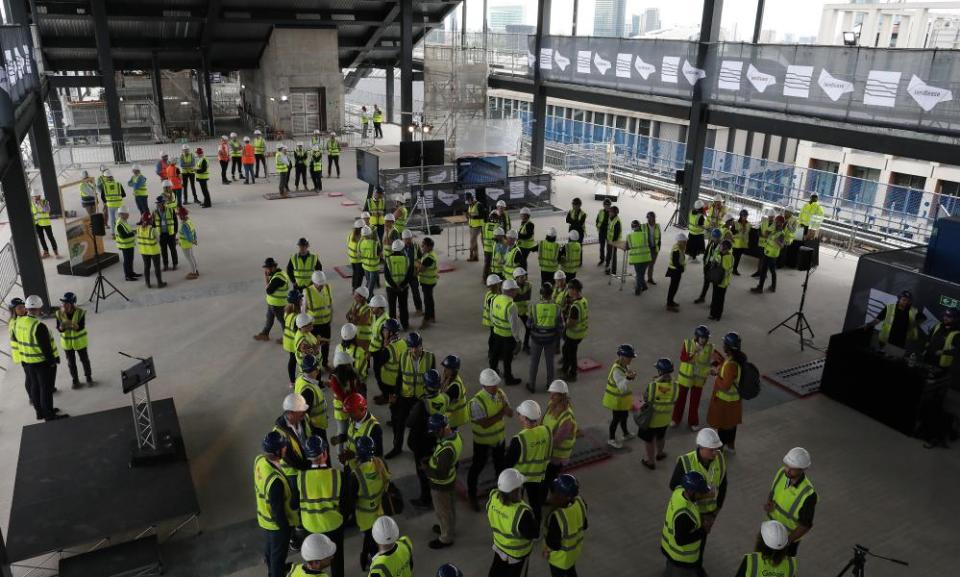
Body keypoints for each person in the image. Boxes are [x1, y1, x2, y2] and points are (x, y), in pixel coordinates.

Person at [670, 428, 727, 548]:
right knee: (690, 540)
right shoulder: (685, 462)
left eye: (716, 449)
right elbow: (674, 486)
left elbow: (723, 485)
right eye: (711, 450)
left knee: (702, 539)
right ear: (701, 447)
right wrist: (696, 495)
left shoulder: (720, 458)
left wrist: (716, 512)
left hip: (711, 512)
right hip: (692, 513)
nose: (715, 453)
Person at [297, 436, 345, 577]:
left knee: (315, 559)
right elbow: (346, 504)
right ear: (325, 453)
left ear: (307, 456)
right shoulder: (337, 476)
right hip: (333, 525)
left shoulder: (301, 477)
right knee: (336, 558)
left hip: (310, 526)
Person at [467, 368, 513, 511]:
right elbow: (484, 424)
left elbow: (510, 412)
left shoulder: (500, 393)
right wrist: (502, 412)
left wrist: (507, 411)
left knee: (500, 467)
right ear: (484, 385)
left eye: (496, 384)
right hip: (482, 442)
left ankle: (502, 493)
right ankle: (472, 496)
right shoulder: (476, 402)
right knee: (477, 467)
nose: (496, 387)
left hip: (499, 439)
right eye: (493, 385)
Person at [254, 431, 298, 577]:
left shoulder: (259, 461)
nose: (286, 448)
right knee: (278, 556)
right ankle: (276, 573)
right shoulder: (275, 482)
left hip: (265, 519)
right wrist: (286, 529)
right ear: (278, 451)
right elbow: (278, 510)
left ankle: (272, 571)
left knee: (270, 551)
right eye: (284, 447)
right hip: (277, 525)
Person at [18, 295, 67, 421]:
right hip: (41, 363)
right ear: (39, 308)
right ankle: (49, 415)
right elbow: (46, 348)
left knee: (35, 387)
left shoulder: (20, 322)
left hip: (27, 362)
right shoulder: (38, 326)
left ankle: (40, 412)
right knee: (46, 389)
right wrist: (52, 363)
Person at [387, 332, 435, 458]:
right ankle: (397, 448)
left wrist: (431, 397)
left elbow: (433, 380)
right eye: (411, 347)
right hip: (405, 396)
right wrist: (395, 395)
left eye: (417, 346)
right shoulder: (403, 357)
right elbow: (399, 378)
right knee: (399, 423)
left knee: (419, 425)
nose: (414, 350)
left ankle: (418, 447)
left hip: (420, 399)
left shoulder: (430, 358)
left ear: (421, 345)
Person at [505, 399, 552, 523]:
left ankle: (518, 524)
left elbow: (508, 463)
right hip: (537, 477)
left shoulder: (519, 440)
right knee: (535, 503)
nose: (519, 416)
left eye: (520, 414)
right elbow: (548, 453)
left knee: (516, 504)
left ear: (524, 418)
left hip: (519, 478)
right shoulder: (546, 431)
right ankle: (536, 527)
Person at [764, 447, 816, 556]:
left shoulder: (809, 495)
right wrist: (769, 502)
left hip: (787, 541)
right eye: (786, 465)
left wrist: (786, 541)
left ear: (803, 469)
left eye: (792, 468)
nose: (787, 470)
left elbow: (805, 525)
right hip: (769, 532)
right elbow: (773, 491)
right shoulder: (781, 473)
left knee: (783, 570)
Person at [486, 468, 538, 577]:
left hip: (499, 547)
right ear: (515, 491)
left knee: (496, 571)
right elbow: (533, 534)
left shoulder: (493, 497)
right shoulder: (522, 513)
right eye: (520, 488)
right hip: (517, 555)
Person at [349, 436, 390, 571]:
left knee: (370, 541)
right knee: (378, 538)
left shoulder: (356, 475)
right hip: (380, 509)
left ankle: (376, 563)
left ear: (358, 453)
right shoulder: (380, 463)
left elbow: (350, 499)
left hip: (365, 516)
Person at [422, 413, 461, 548]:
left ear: (443, 429)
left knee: (443, 511)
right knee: (449, 508)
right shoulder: (454, 437)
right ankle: (448, 528)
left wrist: (426, 469)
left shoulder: (446, 450)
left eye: (435, 432)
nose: (434, 435)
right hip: (450, 480)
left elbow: (441, 474)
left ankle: (446, 538)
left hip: (441, 485)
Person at [661, 471, 711, 576]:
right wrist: (703, 531)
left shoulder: (678, 492)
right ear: (692, 492)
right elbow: (681, 540)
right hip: (681, 558)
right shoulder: (685, 514)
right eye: (700, 492)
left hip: (669, 548)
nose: (702, 494)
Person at [672, 325, 721, 430]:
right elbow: (683, 358)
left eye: (706, 337)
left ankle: (693, 422)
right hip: (685, 379)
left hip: (699, 380)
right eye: (702, 337)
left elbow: (720, 359)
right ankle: (675, 419)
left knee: (695, 402)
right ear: (697, 337)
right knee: (680, 400)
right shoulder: (688, 344)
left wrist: (712, 368)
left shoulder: (710, 348)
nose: (704, 340)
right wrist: (695, 352)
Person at [706, 332, 746, 452]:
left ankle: (720, 448)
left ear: (728, 347)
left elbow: (725, 386)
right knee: (731, 424)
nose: (722, 345)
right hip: (734, 401)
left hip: (726, 402)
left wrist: (716, 375)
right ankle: (731, 446)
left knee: (723, 426)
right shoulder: (738, 359)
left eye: (724, 344)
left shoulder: (730, 365)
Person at [638, 358, 679, 470]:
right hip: (665, 419)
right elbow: (675, 400)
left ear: (660, 372)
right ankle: (660, 454)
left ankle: (650, 462)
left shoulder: (653, 386)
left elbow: (646, 398)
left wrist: (655, 381)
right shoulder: (676, 386)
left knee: (649, 440)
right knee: (661, 437)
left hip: (651, 420)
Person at [544, 474, 587, 577]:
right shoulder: (580, 503)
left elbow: (554, 544)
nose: (552, 494)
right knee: (571, 572)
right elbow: (585, 525)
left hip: (559, 559)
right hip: (573, 553)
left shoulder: (557, 517)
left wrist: (547, 551)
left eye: (555, 492)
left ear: (564, 497)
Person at [527, 283, 563, 393]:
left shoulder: (534, 307)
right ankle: (550, 385)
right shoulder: (557, 308)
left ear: (541, 294)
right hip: (550, 340)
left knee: (534, 362)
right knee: (550, 362)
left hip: (536, 340)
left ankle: (532, 385)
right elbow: (561, 326)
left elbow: (528, 324)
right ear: (551, 294)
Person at [489, 279, 523, 386]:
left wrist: (496, 326)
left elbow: (491, 315)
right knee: (507, 359)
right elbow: (514, 326)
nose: (517, 292)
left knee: (494, 355)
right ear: (511, 290)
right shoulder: (511, 306)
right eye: (515, 290)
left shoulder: (495, 299)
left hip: (496, 333)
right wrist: (517, 340)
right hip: (508, 337)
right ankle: (508, 379)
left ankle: (491, 374)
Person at [55, 292, 93, 389]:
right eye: (64, 303)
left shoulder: (80, 312)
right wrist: (62, 326)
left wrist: (69, 323)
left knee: (84, 360)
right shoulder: (59, 313)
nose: (64, 305)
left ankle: (88, 378)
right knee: (71, 363)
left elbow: (80, 327)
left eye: (67, 303)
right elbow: (59, 329)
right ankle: (75, 381)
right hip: (67, 344)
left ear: (72, 304)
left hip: (80, 342)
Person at [603, 344, 637, 449]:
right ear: (622, 357)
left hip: (622, 400)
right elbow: (621, 387)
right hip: (616, 400)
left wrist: (630, 375)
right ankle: (611, 439)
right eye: (629, 357)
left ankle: (625, 433)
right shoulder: (616, 370)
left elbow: (626, 377)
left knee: (625, 416)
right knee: (616, 419)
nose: (631, 359)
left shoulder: (625, 365)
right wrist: (628, 378)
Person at [254, 258, 290, 342]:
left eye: (268, 268)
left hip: (278, 304)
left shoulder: (278, 278)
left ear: (274, 267)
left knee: (283, 321)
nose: (267, 270)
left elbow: (268, 291)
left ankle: (287, 337)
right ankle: (265, 334)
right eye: (266, 268)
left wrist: (266, 278)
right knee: (269, 319)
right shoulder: (279, 274)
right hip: (272, 303)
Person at [560, 279, 587, 382]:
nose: (568, 291)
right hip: (581, 332)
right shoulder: (583, 300)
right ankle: (565, 367)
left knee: (571, 354)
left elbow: (572, 323)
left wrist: (564, 327)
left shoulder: (575, 307)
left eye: (570, 289)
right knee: (566, 349)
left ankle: (572, 374)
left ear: (575, 290)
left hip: (574, 334)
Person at [295, 355, 329, 439]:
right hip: (316, 429)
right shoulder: (308, 392)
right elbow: (303, 416)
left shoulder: (300, 378)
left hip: (316, 426)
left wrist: (323, 383)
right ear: (316, 370)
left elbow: (311, 381)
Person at [305, 271, 333, 367]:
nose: (321, 286)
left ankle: (325, 363)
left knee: (326, 345)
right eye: (319, 284)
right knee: (314, 347)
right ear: (313, 282)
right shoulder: (307, 292)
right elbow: (303, 311)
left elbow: (330, 304)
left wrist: (330, 318)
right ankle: (315, 366)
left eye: (322, 284)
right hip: (314, 326)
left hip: (326, 323)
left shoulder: (327, 288)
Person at [752, 216, 786, 294]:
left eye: (777, 222)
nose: (775, 223)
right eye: (775, 221)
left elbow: (782, 246)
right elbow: (766, 235)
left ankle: (760, 288)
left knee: (765, 271)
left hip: (772, 255)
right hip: (768, 252)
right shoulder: (774, 230)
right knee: (772, 270)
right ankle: (773, 287)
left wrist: (777, 241)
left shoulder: (781, 233)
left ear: (781, 223)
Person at [385, 239, 412, 331]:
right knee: (403, 307)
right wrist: (402, 285)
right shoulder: (406, 259)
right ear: (402, 249)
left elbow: (387, 276)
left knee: (392, 308)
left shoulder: (388, 260)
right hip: (403, 288)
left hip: (391, 288)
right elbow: (409, 275)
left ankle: (392, 328)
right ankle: (405, 325)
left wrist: (394, 285)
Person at [136, 214, 165, 288]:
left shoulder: (138, 229)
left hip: (144, 251)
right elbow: (158, 240)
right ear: (151, 221)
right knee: (157, 267)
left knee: (146, 267)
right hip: (154, 251)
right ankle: (159, 283)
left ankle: (147, 283)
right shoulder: (153, 229)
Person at [440, 355, 468, 429]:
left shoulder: (455, 387)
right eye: (444, 367)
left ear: (454, 370)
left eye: (447, 368)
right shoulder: (450, 378)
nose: (444, 370)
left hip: (453, 420)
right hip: (451, 417)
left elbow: (442, 402)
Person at [695, 229, 723, 305]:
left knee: (715, 286)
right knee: (706, 283)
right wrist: (705, 264)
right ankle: (702, 297)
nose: (715, 239)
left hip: (715, 268)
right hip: (708, 266)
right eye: (713, 237)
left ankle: (713, 302)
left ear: (720, 237)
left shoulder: (722, 246)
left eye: (716, 237)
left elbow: (722, 258)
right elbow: (706, 253)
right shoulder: (711, 243)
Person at [709, 240, 734, 321]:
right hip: (717, 280)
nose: (720, 247)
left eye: (721, 246)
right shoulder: (721, 255)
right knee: (715, 297)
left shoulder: (727, 257)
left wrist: (716, 264)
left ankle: (717, 315)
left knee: (719, 299)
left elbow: (725, 271)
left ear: (725, 248)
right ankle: (713, 314)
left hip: (722, 282)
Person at [626, 219, 653, 295]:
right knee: (641, 274)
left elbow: (627, 247)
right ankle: (644, 286)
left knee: (639, 274)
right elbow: (650, 244)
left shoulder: (629, 236)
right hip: (646, 258)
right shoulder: (645, 234)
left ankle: (638, 290)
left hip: (636, 259)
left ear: (632, 228)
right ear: (639, 226)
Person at [29, 190, 59, 259]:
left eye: (36, 196)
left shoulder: (45, 201)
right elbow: (33, 213)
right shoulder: (32, 204)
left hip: (45, 223)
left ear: (39, 196)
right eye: (33, 197)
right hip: (37, 223)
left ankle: (55, 251)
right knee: (41, 238)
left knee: (50, 237)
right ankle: (46, 252)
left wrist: (41, 205)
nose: (35, 198)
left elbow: (47, 210)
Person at [152, 195, 178, 271]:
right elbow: (153, 224)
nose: (158, 205)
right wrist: (155, 234)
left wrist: (175, 232)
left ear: (164, 203)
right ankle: (165, 265)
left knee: (173, 249)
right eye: (157, 203)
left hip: (170, 234)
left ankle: (175, 264)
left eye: (160, 203)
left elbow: (175, 221)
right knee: (163, 251)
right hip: (161, 234)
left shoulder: (170, 210)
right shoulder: (154, 212)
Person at [417, 237, 439, 328]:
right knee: (430, 299)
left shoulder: (429, 257)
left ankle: (426, 320)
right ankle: (432, 317)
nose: (422, 247)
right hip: (430, 280)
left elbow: (421, 269)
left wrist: (416, 264)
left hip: (428, 282)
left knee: (427, 301)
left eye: (423, 245)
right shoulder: (429, 254)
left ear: (429, 247)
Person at [282, 290, 303, 385]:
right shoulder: (296, 317)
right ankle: (298, 380)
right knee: (298, 361)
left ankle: (292, 381)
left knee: (292, 360)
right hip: (294, 343)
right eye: (300, 299)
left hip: (288, 342)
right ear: (297, 302)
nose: (302, 300)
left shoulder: (287, 312)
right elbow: (298, 334)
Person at [402, 230, 424, 316]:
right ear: (402, 239)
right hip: (404, 275)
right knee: (402, 294)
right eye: (406, 239)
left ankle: (419, 309)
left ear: (412, 238)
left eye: (409, 239)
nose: (408, 241)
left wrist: (418, 269)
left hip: (413, 273)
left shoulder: (416, 246)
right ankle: (402, 311)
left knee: (416, 292)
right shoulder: (399, 247)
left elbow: (420, 258)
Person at [114, 207, 140, 281]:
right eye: (126, 214)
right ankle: (128, 276)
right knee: (127, 261)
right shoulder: (119, 224)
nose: (128, 215)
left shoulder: (124, 221)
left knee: (130, 260)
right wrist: (134, 233)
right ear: (121, 214)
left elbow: (128, 231)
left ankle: (131, 273)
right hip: (125, 245)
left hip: (129, 245)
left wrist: (134, 231)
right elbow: (124, 236)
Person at [666, 234, 688, 312]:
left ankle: (671, 301)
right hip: (675, 271)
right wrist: (681, 268)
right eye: (684, 241)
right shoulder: (677, 249)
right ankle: (669, 305)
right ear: (680, 241)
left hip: (676, 271)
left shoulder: (679, 247)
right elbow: (676, 263)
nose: (686, 243)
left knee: (674, 287)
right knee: (673, 288)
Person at [176, 207, 199, 279]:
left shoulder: (184, 225)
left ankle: (194, 273)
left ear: (182, 215)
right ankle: (195, 270)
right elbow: (194, 231)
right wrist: (194, 240)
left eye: (179, 215)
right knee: (192, 257)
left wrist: (178, 241)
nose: (179, 216)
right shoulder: (189, 221)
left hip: (185, 245)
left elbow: (187, 236)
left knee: (189, 259)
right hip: (189, 244)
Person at [513, 268, 532, 352]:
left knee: (529, 327)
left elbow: (527, 297)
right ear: (516, 278)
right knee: (513, 329)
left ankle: (526, 345)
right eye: (521, 277)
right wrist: (521, 296)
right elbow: (515, 298)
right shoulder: (512, 286)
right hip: (513, 311)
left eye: (524, 276)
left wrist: (519, 296)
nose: (524, 279)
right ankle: (514, 345)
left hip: (523, 311)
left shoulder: (529, 285)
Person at [359, 226, 382, 294]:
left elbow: (360, 253)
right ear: (370, 234)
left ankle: (365, 294)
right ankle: (368, 296)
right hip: (374, 267)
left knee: (368, 281)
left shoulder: (361, 243)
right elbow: (380, 255)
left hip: (365, 266)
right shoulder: (375, 244)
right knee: (371, 284)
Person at [603, 205, 622, 275]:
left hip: (614, 242)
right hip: (609, 240)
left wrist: (612, 242)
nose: (609, 213)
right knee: (609, 253)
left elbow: (616, 234)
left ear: (614, 213)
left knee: (613, 256)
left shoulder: (617, 222)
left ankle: (613, 271)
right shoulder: (610, 218)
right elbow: (608, 229)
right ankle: (608, 266)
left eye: (610, 212)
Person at [731, 210, 751, 275]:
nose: (745, 217)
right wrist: (738, 231)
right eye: (744, 216)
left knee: (738, 258)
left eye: (746, 216)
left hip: (743, 244)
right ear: (741, 216)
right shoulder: (736, 223)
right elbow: (731, 232)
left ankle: (735, 270)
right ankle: (729, 269)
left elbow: (748, 234)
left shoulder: (748, 224)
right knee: (732, 258)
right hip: (735, 244)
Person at [482, 215, 500, 281]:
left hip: (486, 248)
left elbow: (483, 236)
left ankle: (485, 278)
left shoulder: (485, 225)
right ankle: (492, 279)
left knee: (487, 264)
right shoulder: (497, 226)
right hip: (494, 249)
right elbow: (498, 238)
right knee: (493, 265)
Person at [466, 193, 484, 261]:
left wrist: (473, 216)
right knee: (474, 241)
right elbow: (470, 214)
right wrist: (468, 216)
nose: (468, 201)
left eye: (469, 199)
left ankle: (471, 255)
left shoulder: (478, 205)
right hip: (471, 225)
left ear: (472, 198)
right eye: (467, 200)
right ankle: (476, 256)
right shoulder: (470, 205)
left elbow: (482, 215)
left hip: (477, 225)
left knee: (472, 241)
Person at [595, 199, 611, 266]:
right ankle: (602, 259)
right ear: (603, 205)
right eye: (606, 205)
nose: (607, 206)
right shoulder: (601, 212)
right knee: (601, 247)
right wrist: (598, 226)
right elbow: (597, 220)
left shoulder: (612, 212)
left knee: (608, 248)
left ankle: (607, 261)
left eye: (608, 205)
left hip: (609, 233)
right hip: (601, 232)